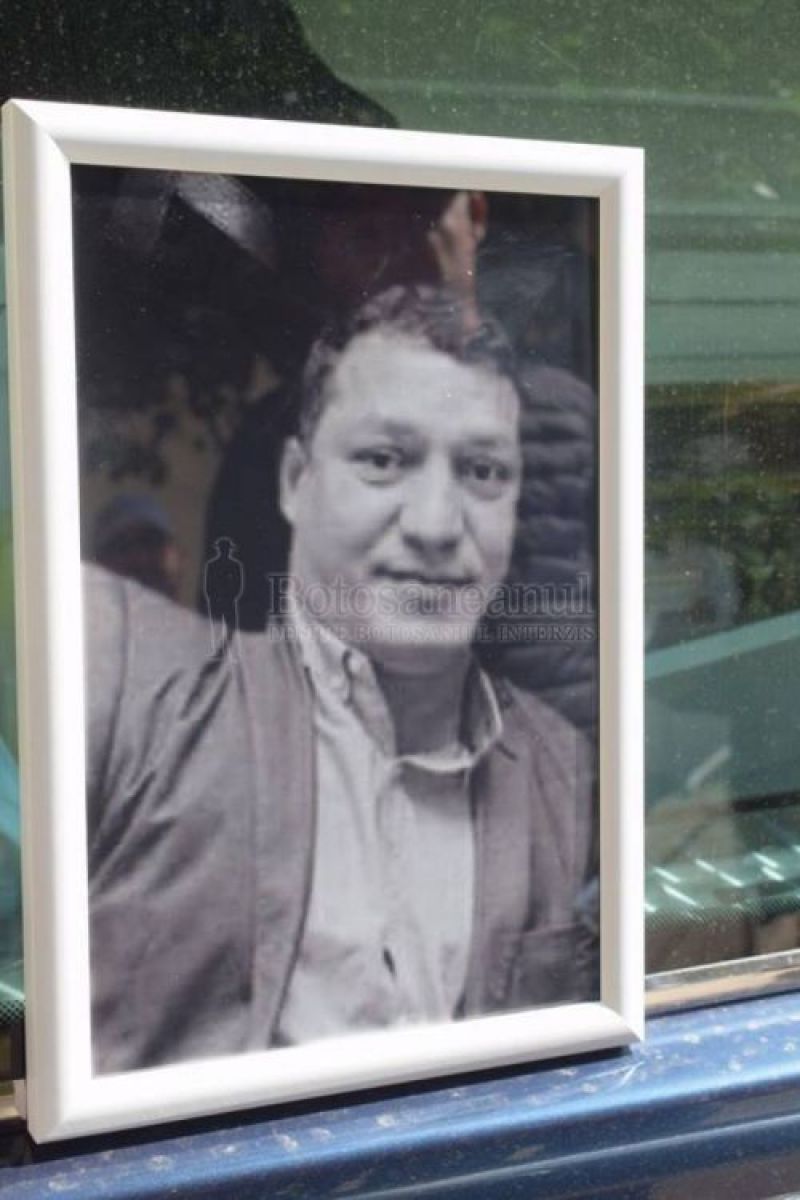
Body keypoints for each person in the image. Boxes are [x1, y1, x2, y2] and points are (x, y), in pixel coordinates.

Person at [86, 284, 597, 1074]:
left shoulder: (564, 768)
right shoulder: (141, 689)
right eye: (384, 460)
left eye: (483, 471)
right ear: (296, 482)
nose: (435, 525)